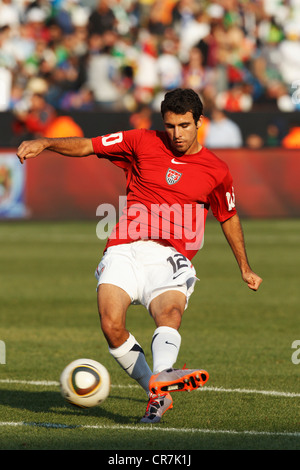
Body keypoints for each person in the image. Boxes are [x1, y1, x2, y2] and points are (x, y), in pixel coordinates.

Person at [16, 88, 262, 423]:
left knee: (170, 311)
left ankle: (163, 373)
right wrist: (46, 143)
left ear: (199, 123)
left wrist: (245, 267)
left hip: (170, 255)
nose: (177, 134)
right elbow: (89, 145)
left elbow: (228, 217)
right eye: (171, 125)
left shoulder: (216, 170)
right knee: (111, 324)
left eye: (185, 126)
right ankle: (157, 388)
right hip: (124, 247)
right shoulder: (141, 141)